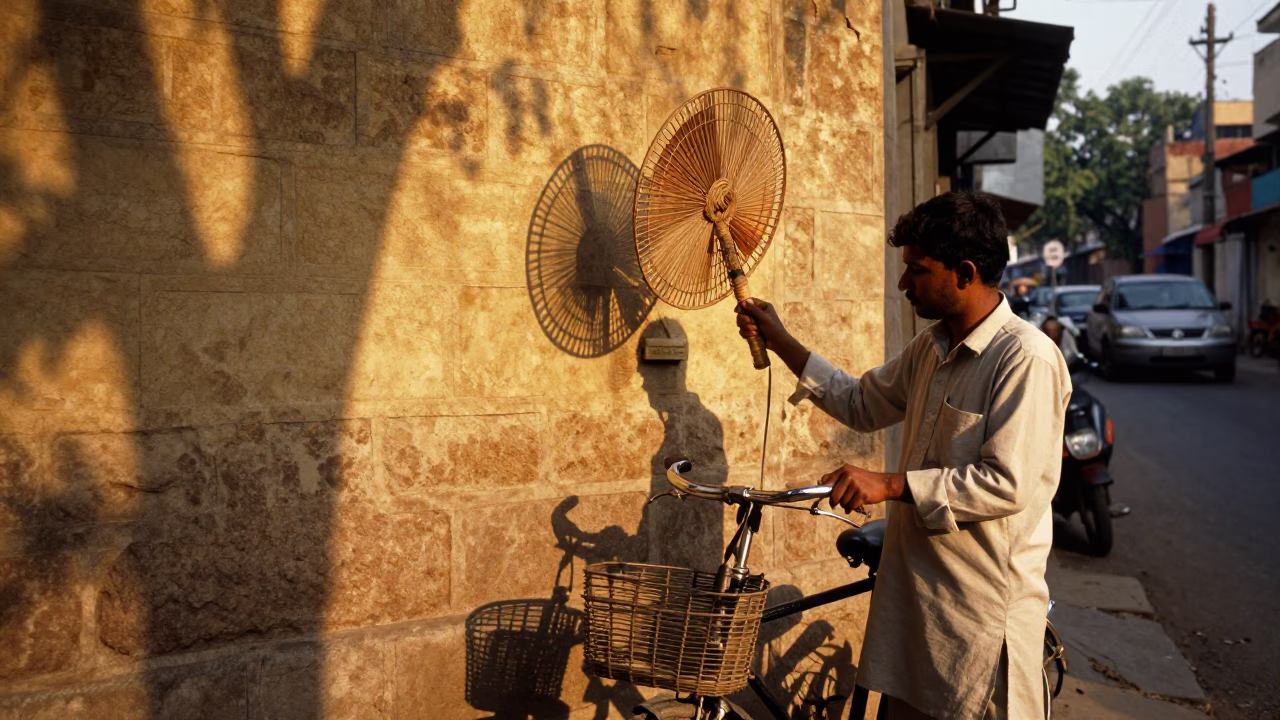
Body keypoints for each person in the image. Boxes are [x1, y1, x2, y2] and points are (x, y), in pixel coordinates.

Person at [737, 191, 1071, 720]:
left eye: (917, 271)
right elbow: (861, 402)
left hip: (978, 617)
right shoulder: (931, 347)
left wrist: (891, 484)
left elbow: (1008, 482)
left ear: (963, 272)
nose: (902, 285)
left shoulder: (1025, 357)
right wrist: (781, 341)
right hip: (918, 601)